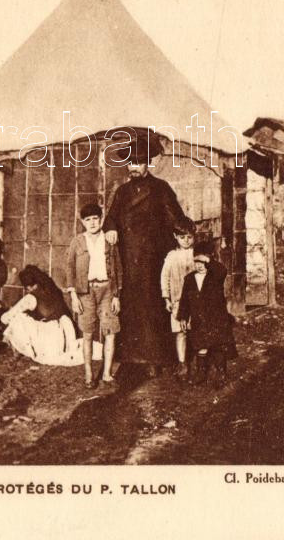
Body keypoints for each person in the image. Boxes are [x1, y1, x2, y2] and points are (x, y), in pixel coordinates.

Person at [103, 136, 186, 373]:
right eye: (130, 163)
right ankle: (129, 358)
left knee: (152, 308)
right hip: (129, 259)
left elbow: (175, 218)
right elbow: (111, 217)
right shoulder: (122, 192)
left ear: (147, 164)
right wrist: (110, 228)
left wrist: (184, 239)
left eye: (138, 163)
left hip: (152, 259)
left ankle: (154, 360)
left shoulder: (161, 188)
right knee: (130, 308)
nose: (134, 167)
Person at [66, 203, 122, 389]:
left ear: (101, 219)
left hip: (107, 291)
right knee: (88, 333)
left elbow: (118, 268)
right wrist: (74, 296)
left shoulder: (109, 240)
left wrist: (116, 295)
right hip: (86, 292)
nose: (92, 223)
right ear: (82, 222)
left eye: (95, 219)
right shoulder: (77, 242)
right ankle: (89, 374)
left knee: (110, 332)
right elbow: (70, 268)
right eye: (88, 220)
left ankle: (106, 373)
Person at [1, 265, 102, 367]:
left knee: (17, 319)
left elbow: (5, 318)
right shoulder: (53, 290)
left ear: (29, 287)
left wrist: (8, 310)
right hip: (66, 335)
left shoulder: (31, 298)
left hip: (52, 340)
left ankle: (17, 353)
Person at [177, 242, 237, 387]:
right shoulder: (189, 279)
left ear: (209, 260)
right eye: (196, 261)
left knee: (218, 346)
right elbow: (184, 300)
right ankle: (201, 373)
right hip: (198, 319)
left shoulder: (215, 275)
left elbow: (222, 270)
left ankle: (221, 373)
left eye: (203, 262)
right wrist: (183, 317)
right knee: (200, 346)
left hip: (216, 319)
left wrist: (209, 260)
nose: (199, 265)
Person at [160, 217, 196, 379]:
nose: (186, 241)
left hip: (195, 301)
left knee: (196, 330)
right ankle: (182, 363)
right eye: (182, 237)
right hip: (178, 301)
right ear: (175, 236)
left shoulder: (197, 255)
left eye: (189, 237)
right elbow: (165, 277)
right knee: (180, 332)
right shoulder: (172, 256)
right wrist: (166, 298)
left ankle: (198, 361)